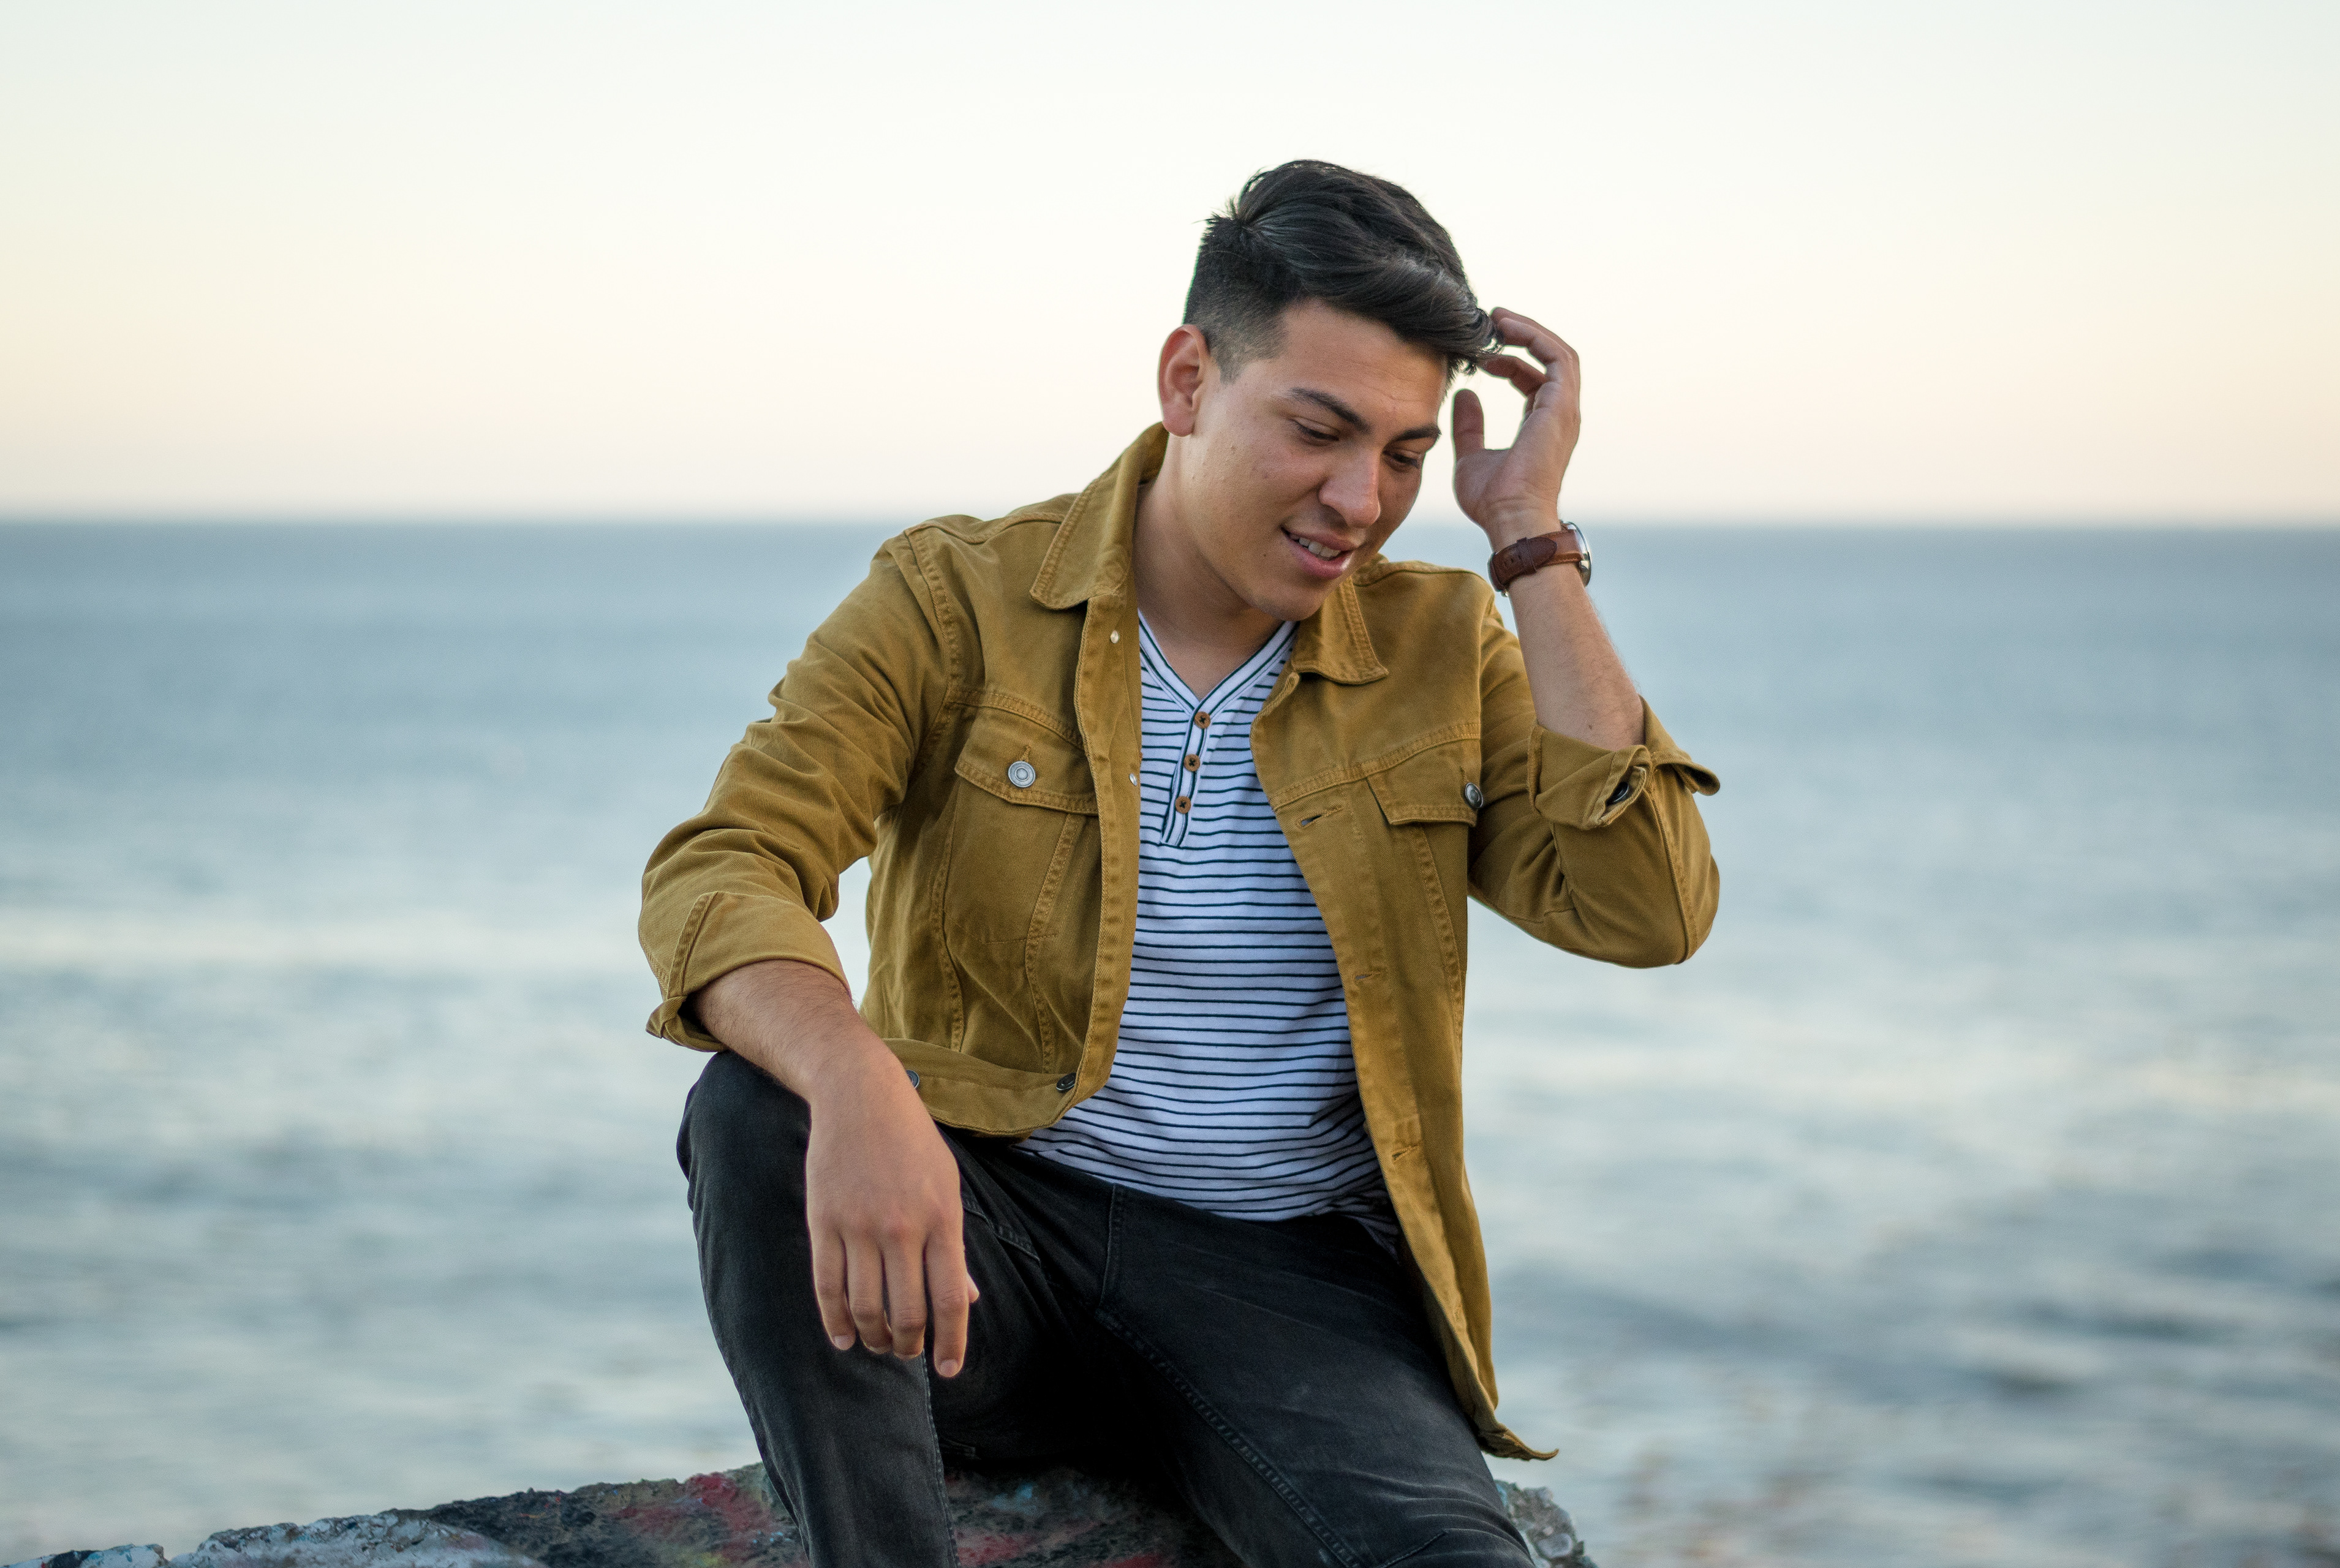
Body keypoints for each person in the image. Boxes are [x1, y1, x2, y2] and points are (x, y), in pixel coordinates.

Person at [640, 159, 1720, 1568]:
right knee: (757, 1108)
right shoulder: (955, 596)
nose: (1361, 498)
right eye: (1319, 430)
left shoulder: (1444, 648)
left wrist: (1529, 538)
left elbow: (1647, 908)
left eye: (1404, 454)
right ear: (1189, 379)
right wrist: (854, 1077)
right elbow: (727, 865)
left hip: (1295, 1282)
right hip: (987, 1240)